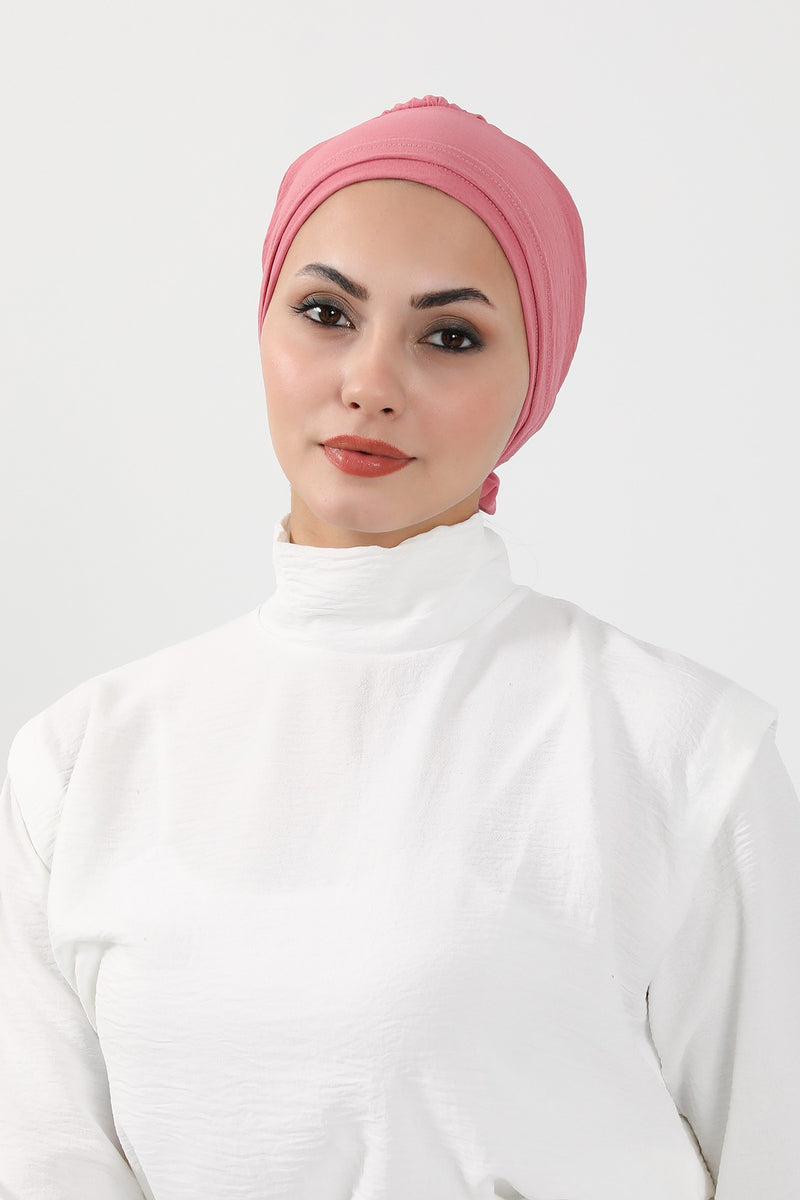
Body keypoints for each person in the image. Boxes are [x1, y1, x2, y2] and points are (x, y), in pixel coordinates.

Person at [0, 95, 798, 1200]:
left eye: (449, 336)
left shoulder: (680, 752)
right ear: (265, 328)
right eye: (325, 312)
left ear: (534, 385)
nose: (369, 382)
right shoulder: (79, 763)